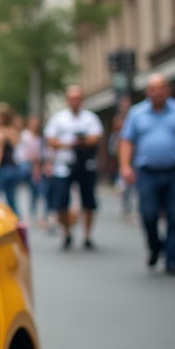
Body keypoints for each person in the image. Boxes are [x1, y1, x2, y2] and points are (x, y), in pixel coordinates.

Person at [119, 74, 175, 274]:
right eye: (152, 88)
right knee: (148, 215)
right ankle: (155, 247)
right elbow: (126, 141)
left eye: (161, 88)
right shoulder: (137, 113)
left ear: (168, 89)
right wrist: (125, 166)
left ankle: (172, 259)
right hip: (148, 172)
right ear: (147, 92)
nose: (157, 92)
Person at [44, 86, 104, 249]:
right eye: (72, 98)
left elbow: (96, 137)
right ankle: (67, 233)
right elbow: (50, 140)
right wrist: (69, 143)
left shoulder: (90, 118)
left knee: (89, 202)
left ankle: (87, 236)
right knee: (61, 202)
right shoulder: (58, 119)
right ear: (67, 100)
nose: (75, 101)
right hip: (64, 166)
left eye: (78, 98)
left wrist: (82, 142)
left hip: (86, 165)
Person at [17, 114, 44, 224]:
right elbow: (19, 152)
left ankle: (36, 215)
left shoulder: (40, 137)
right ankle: (27, 215)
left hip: (37, 167)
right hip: (26, 165)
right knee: (26, 190)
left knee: (37, 192)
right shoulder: (24, 136)